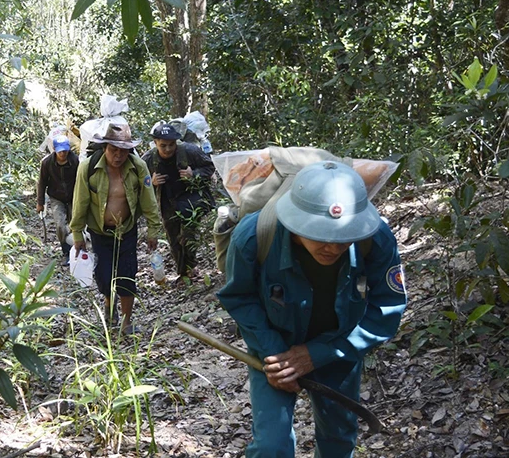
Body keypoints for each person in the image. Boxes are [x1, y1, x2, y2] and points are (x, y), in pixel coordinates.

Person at [216, 161, 407, 458]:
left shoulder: (375, 237)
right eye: (321, 236)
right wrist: (274, 355)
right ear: (295, 224)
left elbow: (387, 308)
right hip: (275, 347)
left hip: (340, 347)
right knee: (271, 447)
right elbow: (240, 297)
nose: (333, 247)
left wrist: (320, 353)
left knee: (338, 441)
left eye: (344, 238)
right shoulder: (254, 236)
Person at [70, 123, 161, 334]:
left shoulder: (138, 167)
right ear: (105, 148)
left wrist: (153, 230)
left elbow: (149, 201)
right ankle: (110, 310)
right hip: (99, 231)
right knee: (104, 275)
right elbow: (80, 202)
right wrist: (77, 233)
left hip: (127, 230)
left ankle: (126, 321)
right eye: (114, 150)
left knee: (127, 274)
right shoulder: (88, 167)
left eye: (123, 151)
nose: (118, 156)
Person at [142, 122, 215, 280]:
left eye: (171, 145)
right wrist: (151, 182)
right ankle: (182, 272)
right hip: (167, 202)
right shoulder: (148, 159)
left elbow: (209, 167)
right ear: (155, 143)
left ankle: (190, 268)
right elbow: (137, 184)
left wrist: (193, 173)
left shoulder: (189, 151)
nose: (168, 149)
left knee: (188, 235)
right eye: (163, 145)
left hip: (190, 200)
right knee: (173, 238)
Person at [36, 135, 79, 265]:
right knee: (60, 225)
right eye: (60, 151)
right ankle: (66, 252)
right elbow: (42, 182)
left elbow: (80, 181)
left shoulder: (75, 161)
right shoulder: (47, 163)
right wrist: (40, 202)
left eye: (65, 151)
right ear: (54, 149)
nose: (62, 154)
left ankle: (76, 251)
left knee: (75, 224)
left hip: (73, 196)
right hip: (56, 197)